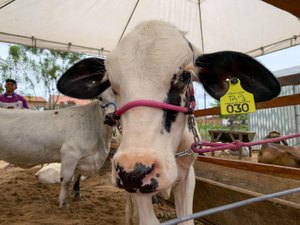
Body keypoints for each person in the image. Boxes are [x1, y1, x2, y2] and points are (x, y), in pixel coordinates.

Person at [0, 79, 29, 170]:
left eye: (11, 84)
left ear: (15, 87)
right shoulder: (0, 98)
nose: (9, 85)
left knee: (16, 144)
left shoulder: (20, 99)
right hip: (3, 127)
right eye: (7, 84)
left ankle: (13, 163)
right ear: (5, 86)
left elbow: (27, 111)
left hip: (17, 127)